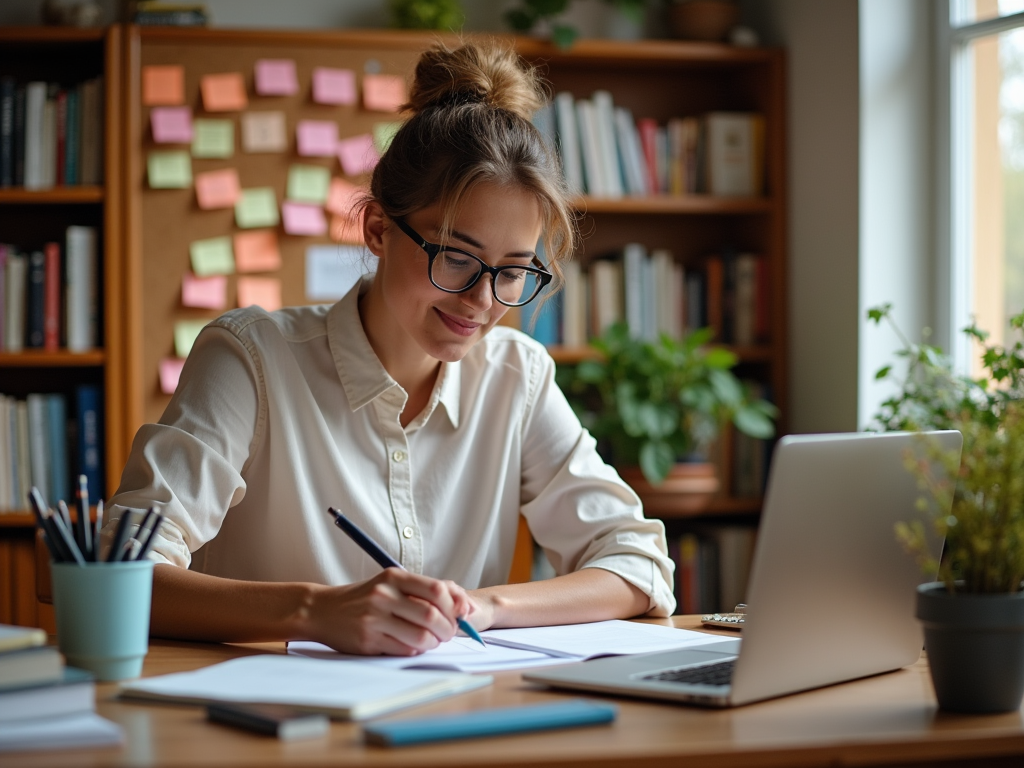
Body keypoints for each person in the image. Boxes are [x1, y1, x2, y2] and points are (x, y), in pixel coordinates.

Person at [105, 40, 675, 656]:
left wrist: (484, 605)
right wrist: (315, 611)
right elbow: (116, 574)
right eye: (456, 257)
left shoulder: (517, 377)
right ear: (379, 229)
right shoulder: (251, 359)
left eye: (513, 271)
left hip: (442, 723)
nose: (482, 300)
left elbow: (639, 563)